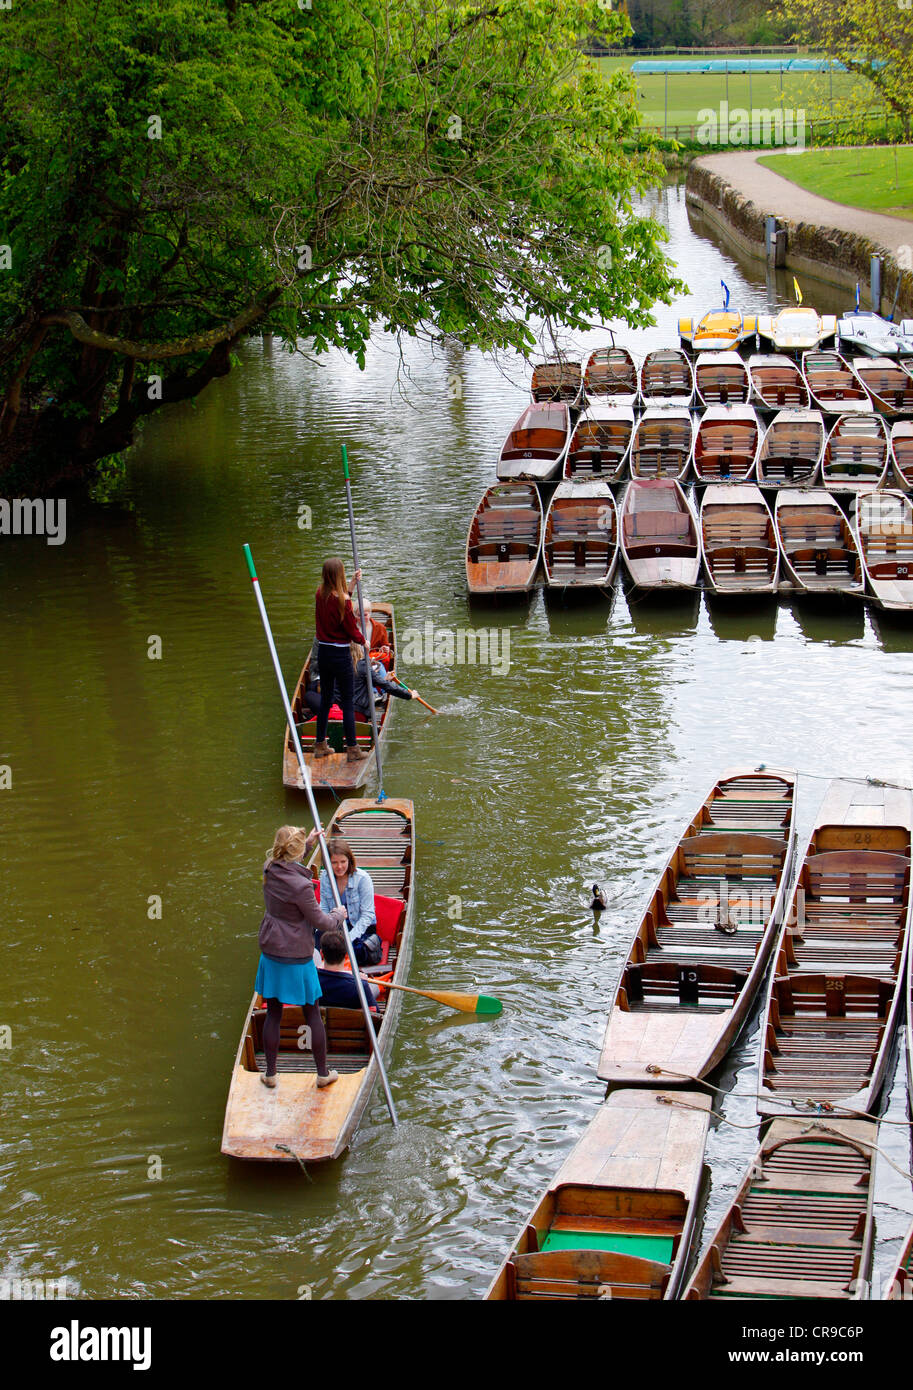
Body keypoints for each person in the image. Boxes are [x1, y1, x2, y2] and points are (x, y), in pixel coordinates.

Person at [255, 825, 348, 1090]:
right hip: (296, 954)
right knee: (312, 1014)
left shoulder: (268, 868)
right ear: (294, 851)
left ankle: (271, 1074)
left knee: (273, 1012)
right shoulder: (302, 886)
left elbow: (285, 857)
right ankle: (322, 1073)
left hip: (272, 951)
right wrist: (338, 915)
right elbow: (322, 921)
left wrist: (307, 844)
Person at [313, 558, 370, 763]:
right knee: (347, 702)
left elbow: (340, 605)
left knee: (326, 700)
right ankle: (353, 749)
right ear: (338, 574)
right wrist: (364, 641)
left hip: (324, 654)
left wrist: (352, 585)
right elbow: (350, 626)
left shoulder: (320, 594)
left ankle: (320, 744)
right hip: (340, 654)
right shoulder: (343, 600)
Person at [318, 835, 383, 966]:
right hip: (335, 924)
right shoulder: (325, 877)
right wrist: (329, 932)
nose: (339, 867)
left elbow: (367, 916)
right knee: (314, 944)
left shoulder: (363, 879)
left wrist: (347, 939)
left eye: (343, 861)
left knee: (354, 951)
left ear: (349, 860)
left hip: (359, 927)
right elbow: (324, 908)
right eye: (334, 862)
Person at [350, 642, 417, 724]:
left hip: (336, 709)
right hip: (356, 712)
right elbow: (385, 685)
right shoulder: (362, 666)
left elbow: (359, 683)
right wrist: (409, 695)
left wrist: (385, 679)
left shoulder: (335, 664)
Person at [316, 930, 381, 1011]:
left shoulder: (309, 981)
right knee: (374, 987)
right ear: (346, 954)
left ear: (321, 953)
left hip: (320, 1019)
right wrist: (363, 982)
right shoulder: (361, 986)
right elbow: (376, 1013)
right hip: (351, 1020)